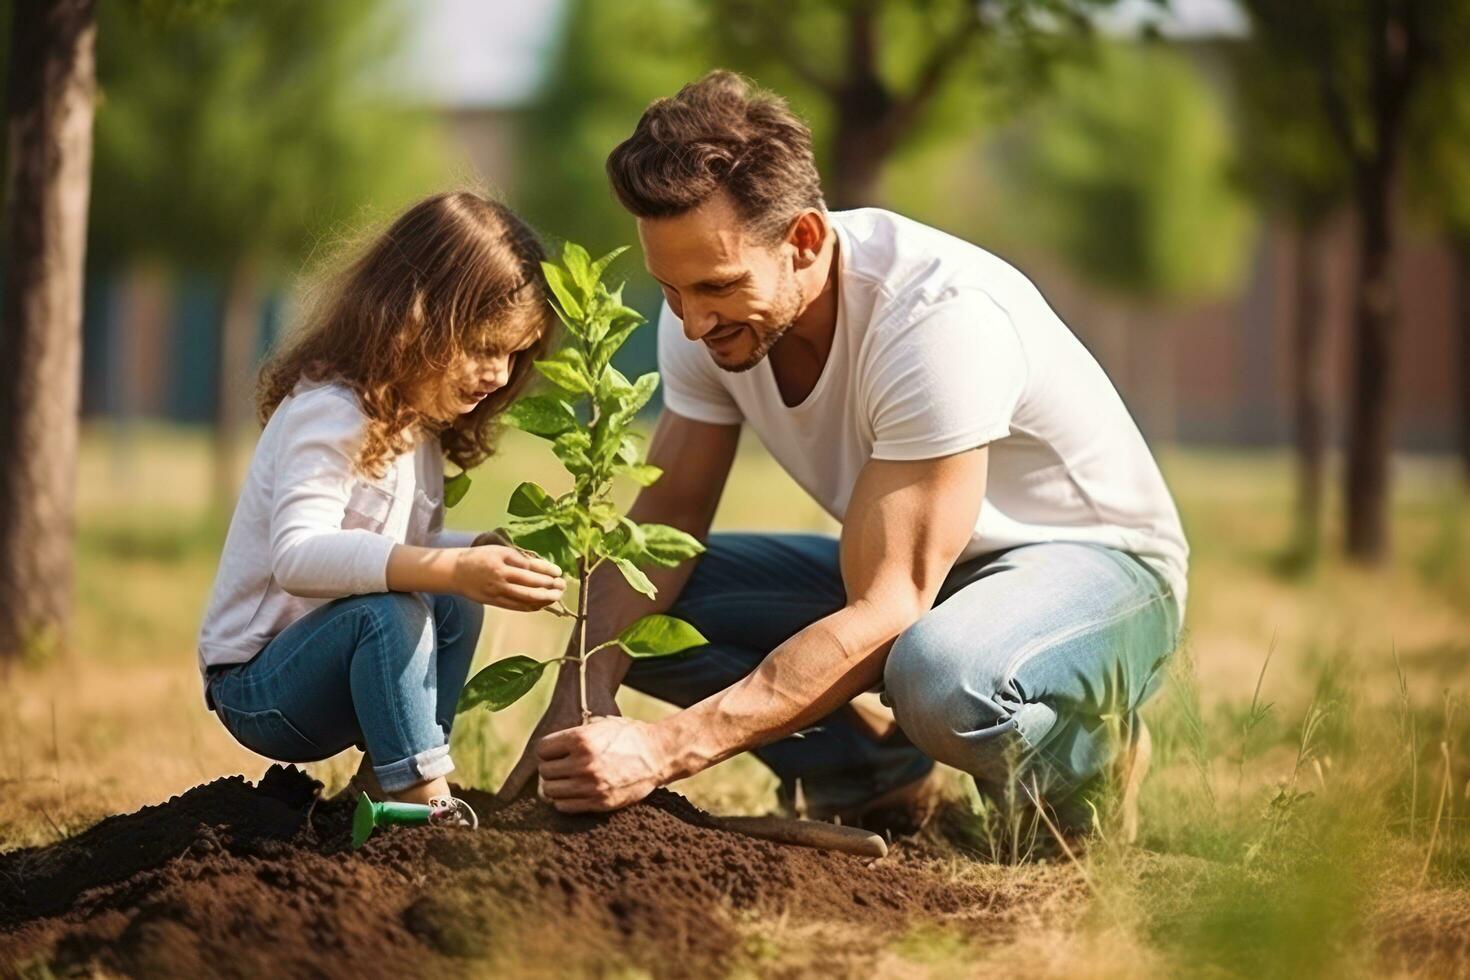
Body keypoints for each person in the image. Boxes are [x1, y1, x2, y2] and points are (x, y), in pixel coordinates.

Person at [502, 71, 1188, 842]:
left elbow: (893, 605)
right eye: (672, 290)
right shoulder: (706, 310)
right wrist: (578, 697)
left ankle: (1087, 759)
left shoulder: (934, 320)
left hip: (1097, 572)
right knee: (636, 614)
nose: (692, 323)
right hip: (934, 578)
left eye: (715, 287)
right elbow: (667, 520)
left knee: (940, 677)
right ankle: (873, 775)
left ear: (803, 241)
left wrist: (665, 749)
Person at [197, 191, 567, 807]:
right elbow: (300, 556)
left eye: (514, 353)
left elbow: (401, 550)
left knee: (452, 603)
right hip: (261, 685)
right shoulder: (332, 411)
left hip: (334, 665)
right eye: (483, 348)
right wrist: (449, 568)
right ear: (415, 322)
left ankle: (386, 784)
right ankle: (424, 795)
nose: (501, 374)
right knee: (392, 611)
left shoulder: (413, 424)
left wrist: (472, 551)